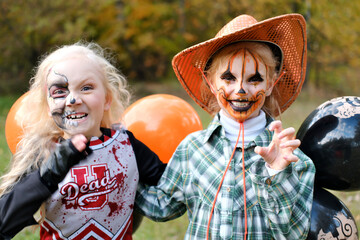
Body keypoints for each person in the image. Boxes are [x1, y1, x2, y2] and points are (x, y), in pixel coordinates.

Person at [135, 14, 316, 239]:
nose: (241, 90)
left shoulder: (295, 161)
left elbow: (291, 234)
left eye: (254, 79)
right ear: (211, 82)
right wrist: (120, 170)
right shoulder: (192, 149)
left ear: (271, 84)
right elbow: (162, 206)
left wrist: (276, 174)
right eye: (229, 78)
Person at [0, 41, 166, 239]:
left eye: (86, 88)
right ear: (48, 106)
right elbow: (4, 221)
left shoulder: (126, 144)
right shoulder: (44, 152)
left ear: (107, 99)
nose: (73, 100)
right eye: (60, 92)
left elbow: (168, 184)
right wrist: (48, 174)